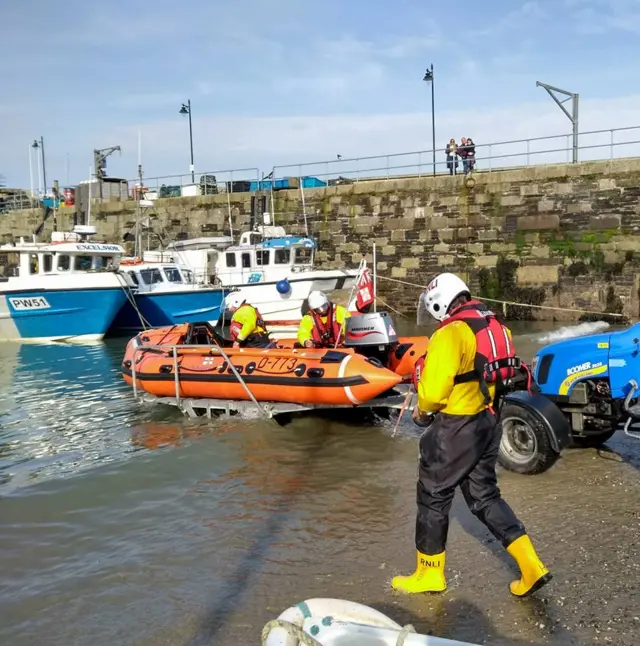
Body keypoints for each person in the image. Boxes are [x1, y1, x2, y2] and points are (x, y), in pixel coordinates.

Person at [391, 272, 551, 598]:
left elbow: (433, 394)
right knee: (484, 496)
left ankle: (428, 574)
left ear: (439, 302)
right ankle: (531, 566)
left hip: (456, 426)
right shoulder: (496, 325)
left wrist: (421, 411)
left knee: (433, 494)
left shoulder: (450, 332)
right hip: (489, 420)